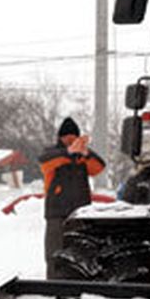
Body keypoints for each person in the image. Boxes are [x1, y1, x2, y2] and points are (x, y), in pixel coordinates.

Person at [38, 117, 105, 277]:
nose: (70, 141)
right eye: (67, 137)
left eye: (74, 138)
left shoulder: (83, 158)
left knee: (80, 254)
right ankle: (53, 286)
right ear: (60, 138)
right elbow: (45, 162)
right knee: (54, 254)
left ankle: (77, 287)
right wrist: (69, 153)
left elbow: (99, 167)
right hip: (56, 214)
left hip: (80, 214)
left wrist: (85, 153)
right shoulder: (51, 154)